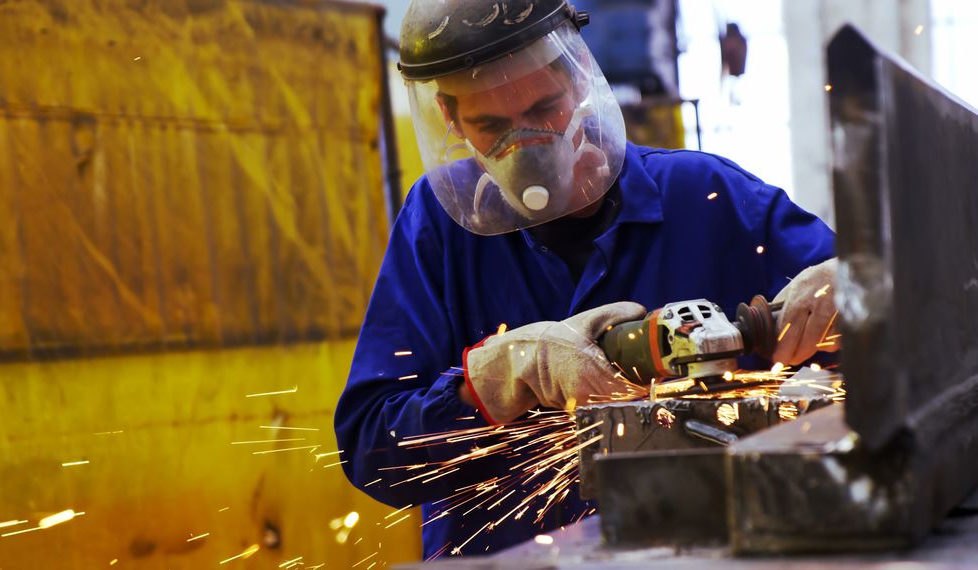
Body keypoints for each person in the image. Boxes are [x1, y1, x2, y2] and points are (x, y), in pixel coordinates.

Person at [335, 0, 836, 558]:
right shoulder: (438, 228)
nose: (525, 143)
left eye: (545, 108)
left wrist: (858, 282)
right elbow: (371, 452)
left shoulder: (706, 199)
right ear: (452, 121)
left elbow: (904, 320)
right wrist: (490, 382)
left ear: (577, 79)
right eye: (491, 127)